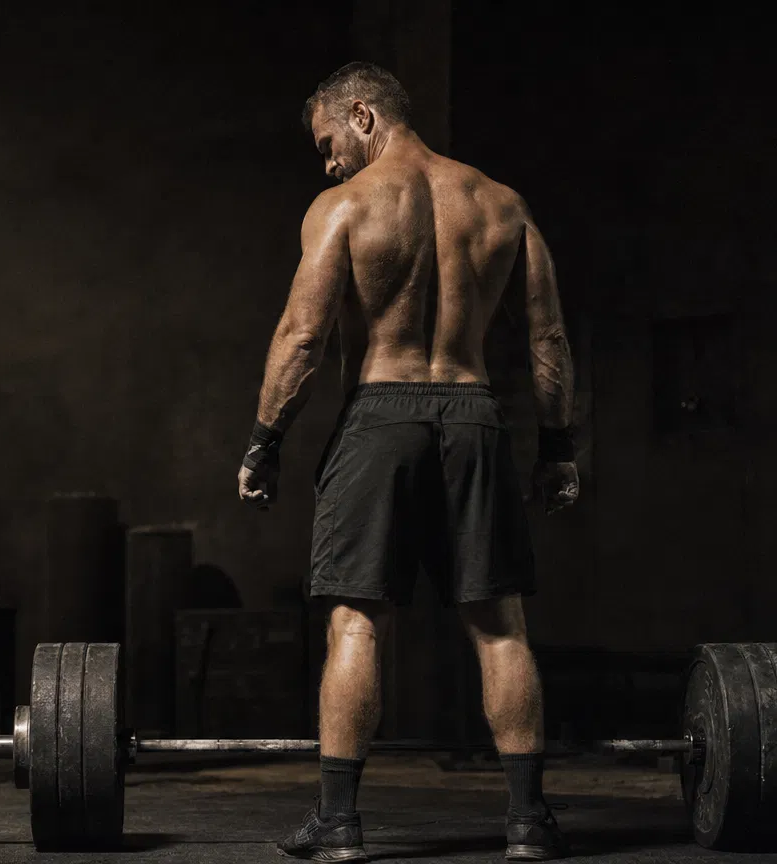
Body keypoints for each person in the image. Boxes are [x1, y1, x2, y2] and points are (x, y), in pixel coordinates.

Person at [237, 62, 579, 863]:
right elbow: (548, 342)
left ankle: (339, 823)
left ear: (363, 116)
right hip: (474, 415)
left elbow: (302, 338)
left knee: (357, 621)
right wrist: (559, 448)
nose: (325, 163)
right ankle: (528, 823)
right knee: (499, 626)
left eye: (328, 143)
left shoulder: (345, 207)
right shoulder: (501, 204)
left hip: (380, 414)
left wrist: (265, 441)